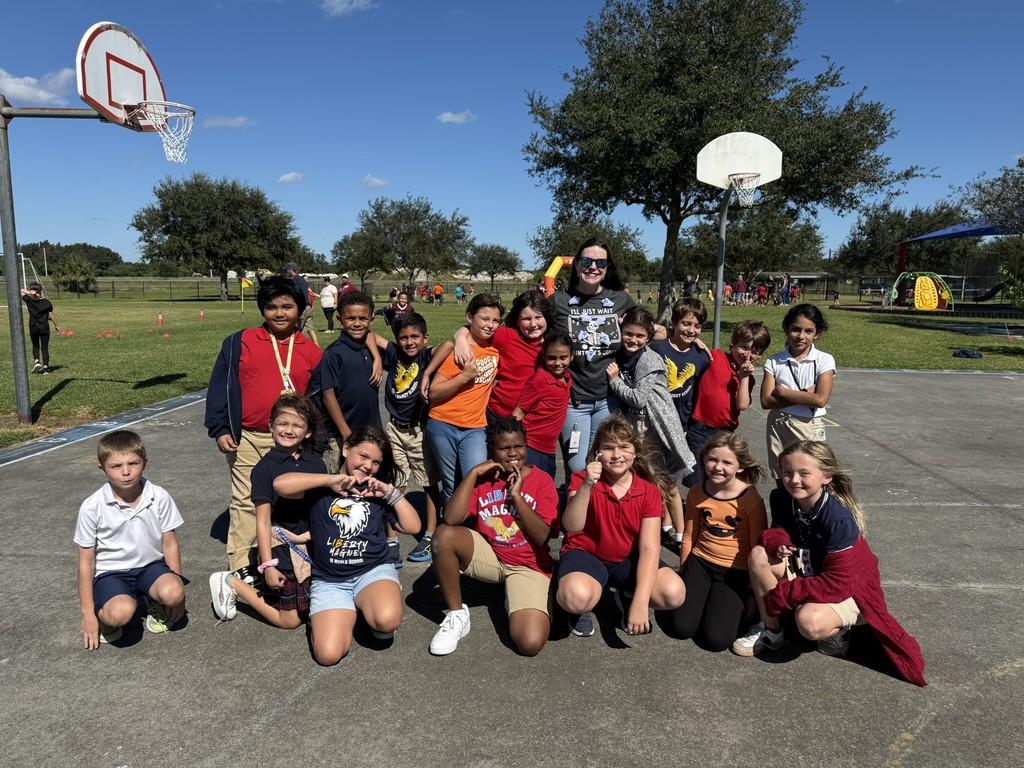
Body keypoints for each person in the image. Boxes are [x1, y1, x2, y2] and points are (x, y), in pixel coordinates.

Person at [732, 442, 927, 687]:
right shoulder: (782, 497)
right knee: (759, 555)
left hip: (848, 588)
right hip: (809, 569)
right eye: (787, 472)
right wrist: (778, 542)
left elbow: (839, 582)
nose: (794, 480)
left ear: (826, 476)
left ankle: (843, 630)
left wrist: (784, 594)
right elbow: (778, 529)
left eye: (804, 473)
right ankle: (771, 630)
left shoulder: (838, 519)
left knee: (809, 623)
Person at [274, 426, 421, 665]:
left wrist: (389, 492)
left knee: (387, 621)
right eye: (362, 456)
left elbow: (413, 526)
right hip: (330, 580)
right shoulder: (321, 488)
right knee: (328, 655)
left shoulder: (376, 492)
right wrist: (330, 480)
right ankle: (346, 612)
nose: (367, 466)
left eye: (375, 462)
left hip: (372, 572)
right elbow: (280, 484)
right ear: (345, 449)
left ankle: (375, 604)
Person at [205, 276, 323, 571]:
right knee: (246, 503)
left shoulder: (310, 350)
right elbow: (220, 386)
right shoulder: (239, 343)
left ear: (301, 309)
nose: (280, 313)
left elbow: (318, 403)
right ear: (262, 310)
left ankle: (296, 567)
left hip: (293, 442)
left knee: (293, 504)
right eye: (271, 307)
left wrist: (313, 443)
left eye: (287, 306)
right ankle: (241, 569)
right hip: (247, 438)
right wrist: (220, 428)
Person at [428, 417, 559, 656]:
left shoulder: (542, 481)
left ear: (526, 446)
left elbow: (543, 537)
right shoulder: (484, 479)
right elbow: (451, 517)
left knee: (530, 643)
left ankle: (523, 597)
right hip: (493, 557)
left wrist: (517, 496)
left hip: (528, 565)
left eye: (518, 446)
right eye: (504, 448)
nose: (512, 453)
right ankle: (457, 615)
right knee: (443, 536)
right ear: (492, 451)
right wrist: (473, 473)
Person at [555, 414, 686, 638]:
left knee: (673, 592)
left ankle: (627, 594)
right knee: (576, 597)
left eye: (624, 447)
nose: (616, 455)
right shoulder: (582, 478)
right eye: (608, 448)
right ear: (597, 452)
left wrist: (640, 603)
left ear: (635, 452)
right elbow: (572, 526)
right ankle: (583, 606)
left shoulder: (648, 489)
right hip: (586, 554)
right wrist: (587, 485)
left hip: (627, 560)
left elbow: (649, 548)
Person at [209, 394, 324, 628]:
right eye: (283, 423)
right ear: (270, 425)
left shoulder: (317, 464)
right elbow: (262, 521)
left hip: (315, 546)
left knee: (316, 610)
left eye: (298, 425)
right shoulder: (264, 469)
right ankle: (232, 582)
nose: (289, 430)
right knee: (290, 621)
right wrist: (268, 566)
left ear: (308, 432)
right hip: (283, 545)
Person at [75, 430, 186, 648]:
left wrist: (179, 595)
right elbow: (85, 562)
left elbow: (170, 544)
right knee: (121, 613)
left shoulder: (159, 496)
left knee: (173, 592)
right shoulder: (92, 506)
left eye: (133, 463)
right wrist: (88, 614)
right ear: (102, 468)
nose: (126, 472)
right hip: (111, 573)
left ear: (144, 463)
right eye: (116, 466)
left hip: (151, 567)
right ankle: (104, 617)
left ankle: (156, 601)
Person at [665, 432, 767, 651]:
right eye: (712, 459)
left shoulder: (751, 500)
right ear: (704, 460)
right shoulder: (696, 493)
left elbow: (756, 550)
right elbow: (690, 536)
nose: (717, 467)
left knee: (716, 640)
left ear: (740, 466)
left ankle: (720, 604)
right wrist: (683, 574)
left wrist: (752, 595)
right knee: (681, 627)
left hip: (734, 570)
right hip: (700, 562)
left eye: (727, 462)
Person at [606, 306, 697, 549]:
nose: (633, 340)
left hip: (656, 426)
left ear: (647, 337)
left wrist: (614, 381)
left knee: (667, 482)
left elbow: (638, 398)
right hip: (638, 425)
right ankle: (663, 527)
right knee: (648, 479)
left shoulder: (648, 359)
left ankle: (681, 536)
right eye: (629, 334)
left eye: (639, 336)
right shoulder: (623, 354)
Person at [550, 238, 637, 477]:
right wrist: (464, 333)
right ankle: (575, 512)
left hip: (609, 400)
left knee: (607, 466)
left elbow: (648, 330)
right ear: (577, 264)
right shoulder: (558, 300)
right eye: (587, 261)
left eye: (600, 262)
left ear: (607, 268)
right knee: (578, 469)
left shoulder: (620, 300)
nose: (593, 267)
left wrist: (680, 337)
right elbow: (524, 324)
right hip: (573, 400)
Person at [371, 312, 453, 563]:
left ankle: (429, 534)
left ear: (425, 338)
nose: (409, 342)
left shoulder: (427, 355)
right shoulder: (394, 354)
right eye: (403, 337)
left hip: (420, 431)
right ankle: (391, 537)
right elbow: (371, 335)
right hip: (394, 429)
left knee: (428, 483)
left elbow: (450, 343)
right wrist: (377, 358)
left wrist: (426, 373)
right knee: (394, 482)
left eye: (415, 337)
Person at [425, 294, 502, 506]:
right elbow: (434, 392)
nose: (490, 325)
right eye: (484, 319)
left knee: (476, 480)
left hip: (475, 427)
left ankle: (474, 532)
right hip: (443, 424)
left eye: (495, 321)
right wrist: (464, 377)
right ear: (470, 317)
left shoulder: (495, 349)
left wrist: (459, 334)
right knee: (451, 485)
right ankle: (451, 531)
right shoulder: (460, 352)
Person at [650, 297, 711, 548]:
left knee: (671, 478)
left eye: (697, 326)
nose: (691, 330)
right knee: (656, 476)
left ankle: (670, 528)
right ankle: (663, 525)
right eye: (686, 324)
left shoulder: (701, 356)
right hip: (655, 423)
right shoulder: (657, 349)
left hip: (681, 425)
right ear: (674, 323)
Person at [685, 319, 771, 486]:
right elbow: (686, 345)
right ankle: (694, 508)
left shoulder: (748, 379)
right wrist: (694, 339)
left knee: (719, 477)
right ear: (733, 343)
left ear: (759, 356)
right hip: (700, 429)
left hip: (725, 433)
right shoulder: (715, 357)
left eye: (754, 351)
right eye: (744, 347)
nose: (747, 354)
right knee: (696, 478)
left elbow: (742, 405)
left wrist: (743, 377)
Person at [761, 304, 836, 485]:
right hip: (778, 424)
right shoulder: (774, 361)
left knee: (809, 476)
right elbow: (766, 401)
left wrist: (782, 392)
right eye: (795, 329)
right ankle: (786, 511)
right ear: (786, 329)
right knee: (782, 475)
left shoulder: (824, 360)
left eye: (808, 331)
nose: (801, 336)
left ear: (816, 334)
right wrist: (804, 394)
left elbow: (820, 399)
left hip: (809, 425)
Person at [452, 290, 551, 424]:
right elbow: (475, 329)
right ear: (517, 320)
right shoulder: (507, 336)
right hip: (501, 414)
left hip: (536, 419)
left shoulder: (555, 345)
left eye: (538, 317)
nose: (533, 324)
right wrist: (461, 338)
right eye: (526, 319)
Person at [320, 290, 383, 472]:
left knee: (371, 480)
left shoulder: (371, 349)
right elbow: (328, 396)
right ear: (339, 319)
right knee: (342, 482)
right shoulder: (333, 353)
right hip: (342, 434)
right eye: (350, 318)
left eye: (363, 318)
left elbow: (372, 336)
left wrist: (377, 357)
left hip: (372, 432)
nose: (357, 323)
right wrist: (346, 433)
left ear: (371, 320)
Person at [512, 330, 573, 478]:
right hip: (532, 446)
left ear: (572, 357)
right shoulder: (539, 380)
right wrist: (514, 446)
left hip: (549, 448)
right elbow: (518, 413)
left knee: (545, 486)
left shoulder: (567, 377)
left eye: (563, 358)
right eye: (552, 358)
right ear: (544, 356)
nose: (558, 363)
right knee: (529, 488)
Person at [19, 282, 58, 374]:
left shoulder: (29, 300)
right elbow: (51, 316)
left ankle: (36, 361)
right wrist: (56, 325)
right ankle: (45, 368)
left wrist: (30, 293)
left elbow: (19, 290)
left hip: (33, 327)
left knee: (35, 345)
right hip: (44, 328)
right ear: (41, 291)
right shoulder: (46, 302)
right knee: (44, 347)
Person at [284, 262, 316, 344]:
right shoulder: (302, 279)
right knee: (310, 329)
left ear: (291, 269)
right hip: (308, 306)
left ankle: (300, 347)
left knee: (297, 329)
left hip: (303, 307)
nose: (287, 271)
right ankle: (317, 347)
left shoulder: (295, 280)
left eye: (287, 269)